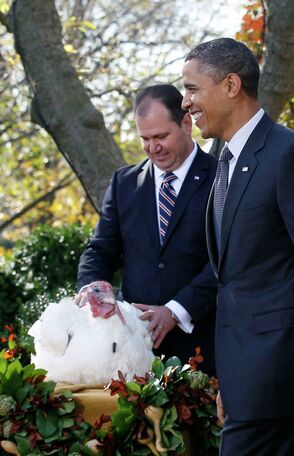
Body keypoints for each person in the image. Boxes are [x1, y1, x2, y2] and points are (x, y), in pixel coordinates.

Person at [180, 38, 294, 456]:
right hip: (252, 385)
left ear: (230, 85)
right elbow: (236, 280)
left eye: (192, 88)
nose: (186, 102)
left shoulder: (289, 157)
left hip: (283, 382)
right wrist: (233, 382)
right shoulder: (225, 160)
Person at [77, 84, 218, 377]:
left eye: (161, 137)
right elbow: (101, 250)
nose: (153, 148)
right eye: (145, 138)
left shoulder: (221, 178)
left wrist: (176, 311)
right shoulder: (123, 183)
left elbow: (227, 258)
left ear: (186, 123)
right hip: (133, 353)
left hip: (204, 349)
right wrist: (91, 287)